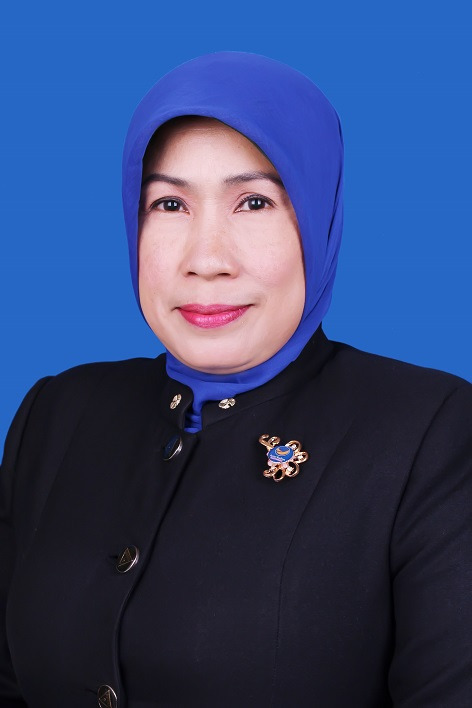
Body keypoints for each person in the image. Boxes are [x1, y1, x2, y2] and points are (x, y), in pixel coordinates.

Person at [1, 51, 471, 708]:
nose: (206, 259)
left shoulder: (430, 432)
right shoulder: (59, 413)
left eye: (253, 202)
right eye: (170, 203)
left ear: (317, 215)